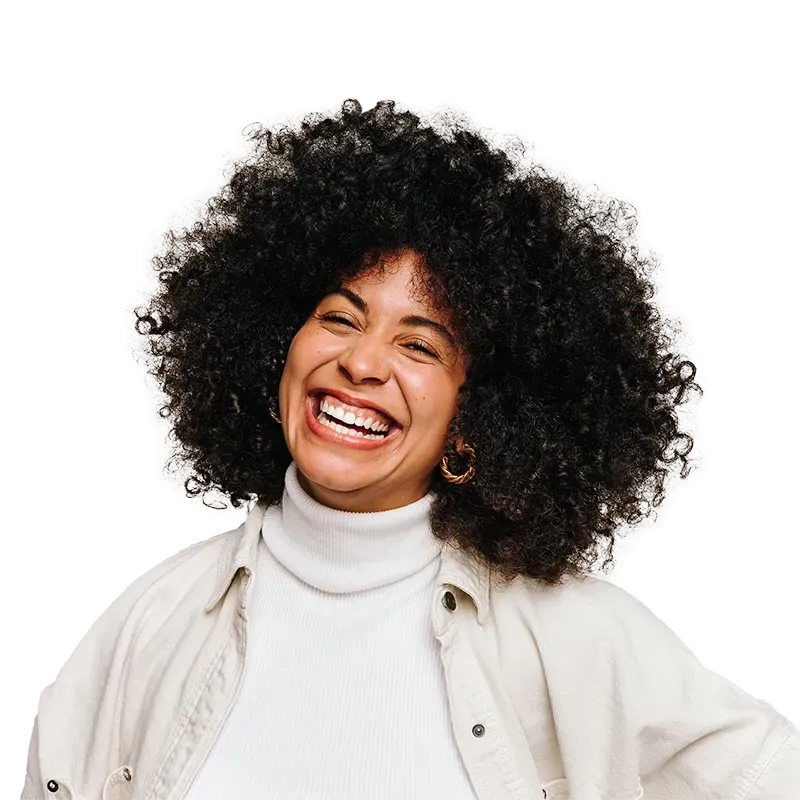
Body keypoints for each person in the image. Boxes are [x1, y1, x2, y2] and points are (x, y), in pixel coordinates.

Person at [24, 99, 797, 799]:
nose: (362, 362)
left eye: (420, 346)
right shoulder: (150, 621)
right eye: (338, 317)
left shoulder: (571, 637)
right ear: (272, 352)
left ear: (476, 419)